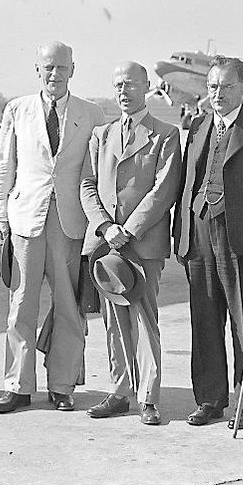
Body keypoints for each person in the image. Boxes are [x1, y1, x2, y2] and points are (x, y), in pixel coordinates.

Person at [0, 42, 107, 413]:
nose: (53, 73)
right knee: (21, 303)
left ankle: (62, 385)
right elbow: (3, 166)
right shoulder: (17, 109)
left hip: (71, 222)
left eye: (61, 67)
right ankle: (18, 385)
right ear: (36, 70)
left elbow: (99, 172)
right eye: (47, 67)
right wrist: (0, 215)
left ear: (73, 69)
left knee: (68, 306)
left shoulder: (92, 113)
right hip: (26, 217)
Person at [80, 61, 182, 425]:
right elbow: (88, 185)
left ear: (147, 87)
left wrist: (130, 229)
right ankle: (119, 391)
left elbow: (163, 189)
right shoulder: (101, 135)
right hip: (108, 245)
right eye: (118, 85)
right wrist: (106, 227)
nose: (124, 92)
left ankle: (149, 397)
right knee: (113, 320)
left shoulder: (166, 134)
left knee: (145, 316)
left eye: (131, 85)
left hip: (144, 244)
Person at [172, 56, 243, 429]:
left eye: (227, 87)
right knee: (204, 319)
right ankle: (210, 400)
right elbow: (186, 183)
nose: (218, 94)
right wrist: (180, 236)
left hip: (238, 235)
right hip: (198, 231)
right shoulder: (197, 126)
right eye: (213, 87)